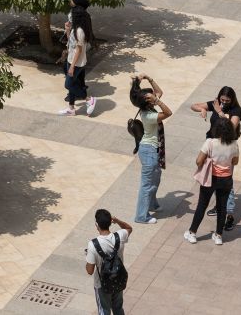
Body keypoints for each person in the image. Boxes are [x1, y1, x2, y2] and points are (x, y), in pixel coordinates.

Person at [185, 116, 240, 245]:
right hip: (226, 179)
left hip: (210, 178)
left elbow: (198, 161)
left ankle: (192, 233)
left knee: (202, 205)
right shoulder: (234, 144)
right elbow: (235, 162)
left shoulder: (210, 142)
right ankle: (218, 236)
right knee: (222, 207)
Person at [128, 75, 172, 223]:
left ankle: (152, 204)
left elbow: (160, 92)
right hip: (149, 152)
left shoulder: (147, 107)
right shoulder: (149, 115)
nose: (155, 95)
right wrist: (158, 101)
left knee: (156, 178)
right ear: (148, 101)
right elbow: (168, 113)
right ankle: (141, 216)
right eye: (152, 96)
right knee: (146, 185)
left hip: (153, 151)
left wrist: (148, 78)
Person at [85, 209, 133, 315]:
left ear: (96, 224)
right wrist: (117, 220)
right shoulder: (120, 236)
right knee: (118, 308)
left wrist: (88, 256)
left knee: (104, 310)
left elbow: (89, 270)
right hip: (118, 278)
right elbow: (129, 228)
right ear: (110, 222)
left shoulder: (93, 245)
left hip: (102, 285)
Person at [61, 9, 92, 115]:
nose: (69, 19)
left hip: (76, 63)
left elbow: (78, 50)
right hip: (71, 59)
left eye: (71, 17)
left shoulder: (80, 31)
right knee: (72, 83)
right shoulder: (75, 29)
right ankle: (71, 108)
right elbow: (71, 42)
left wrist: (72, 66)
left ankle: (88, 99)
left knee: (68, 84)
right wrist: (68, 30)